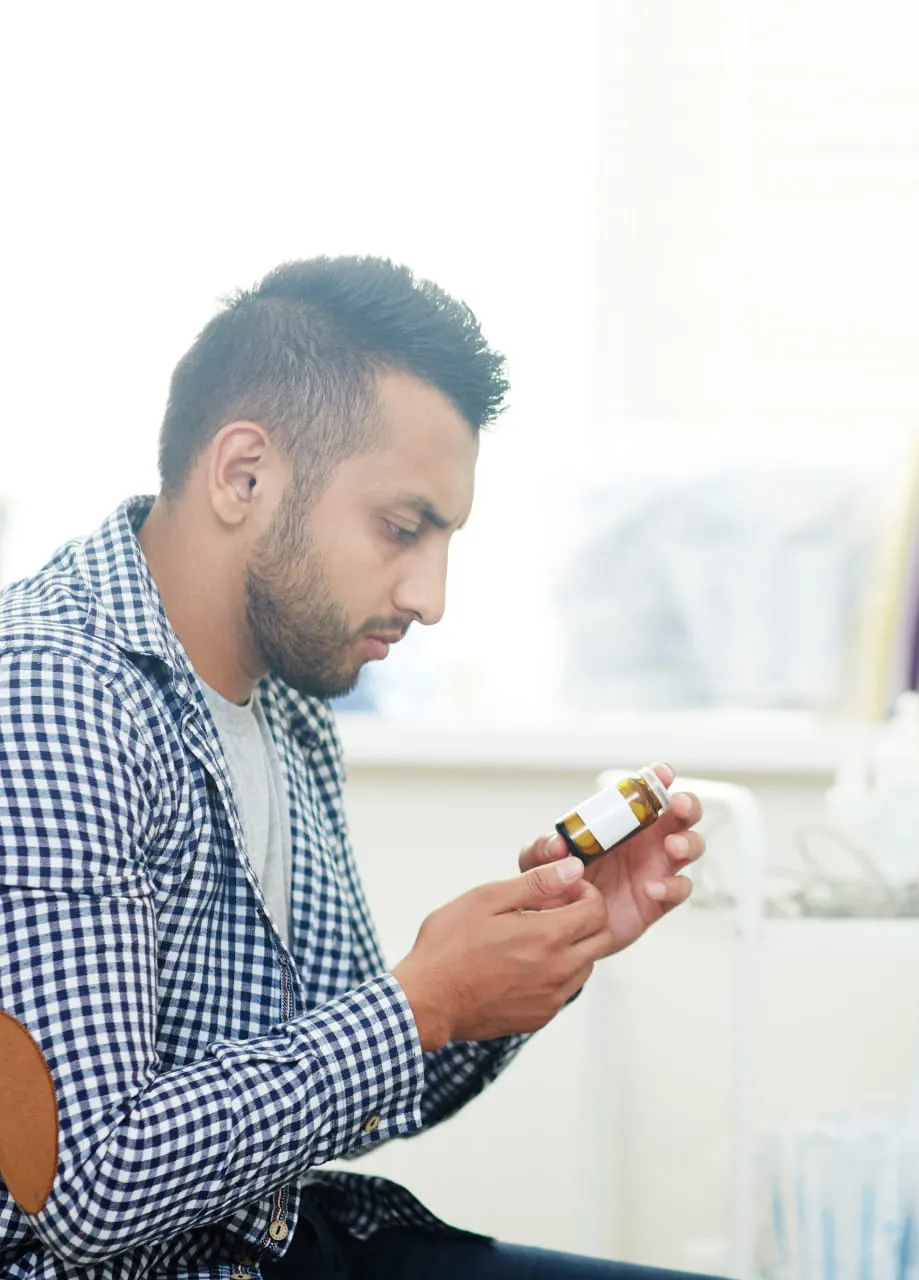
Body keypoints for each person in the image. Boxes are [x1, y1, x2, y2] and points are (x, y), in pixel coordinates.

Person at [0, 258, 714, 1280]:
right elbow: (85, 1180)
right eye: (403, 528)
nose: (431, 597)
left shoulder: (290, 709)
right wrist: (422, 998)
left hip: (287, 1247)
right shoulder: (51, 697)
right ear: (244, 474)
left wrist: (534, 953)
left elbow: (347, 1082)